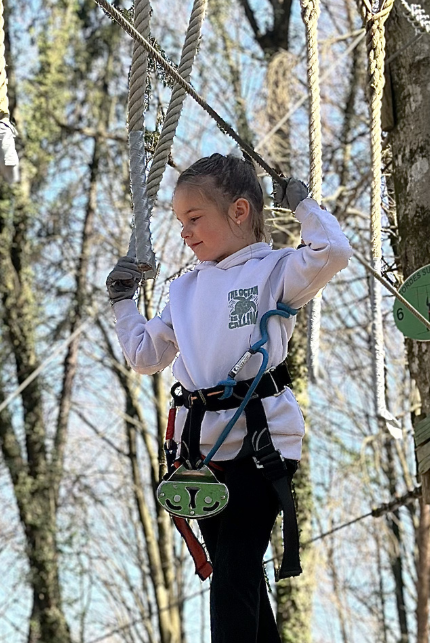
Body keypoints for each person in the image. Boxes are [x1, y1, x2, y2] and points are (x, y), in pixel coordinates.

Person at [106, 153, 352, 642]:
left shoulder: (275, 270)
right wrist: (123, 304)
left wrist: (303, 206)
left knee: (236, 570)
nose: (184, 233)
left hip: (261, 447)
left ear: (239, 211)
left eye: (194, 219)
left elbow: (334, 252)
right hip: (204, 454)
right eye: (180, 222)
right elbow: (144, 354)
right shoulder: (185, 289)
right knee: (236, 576)